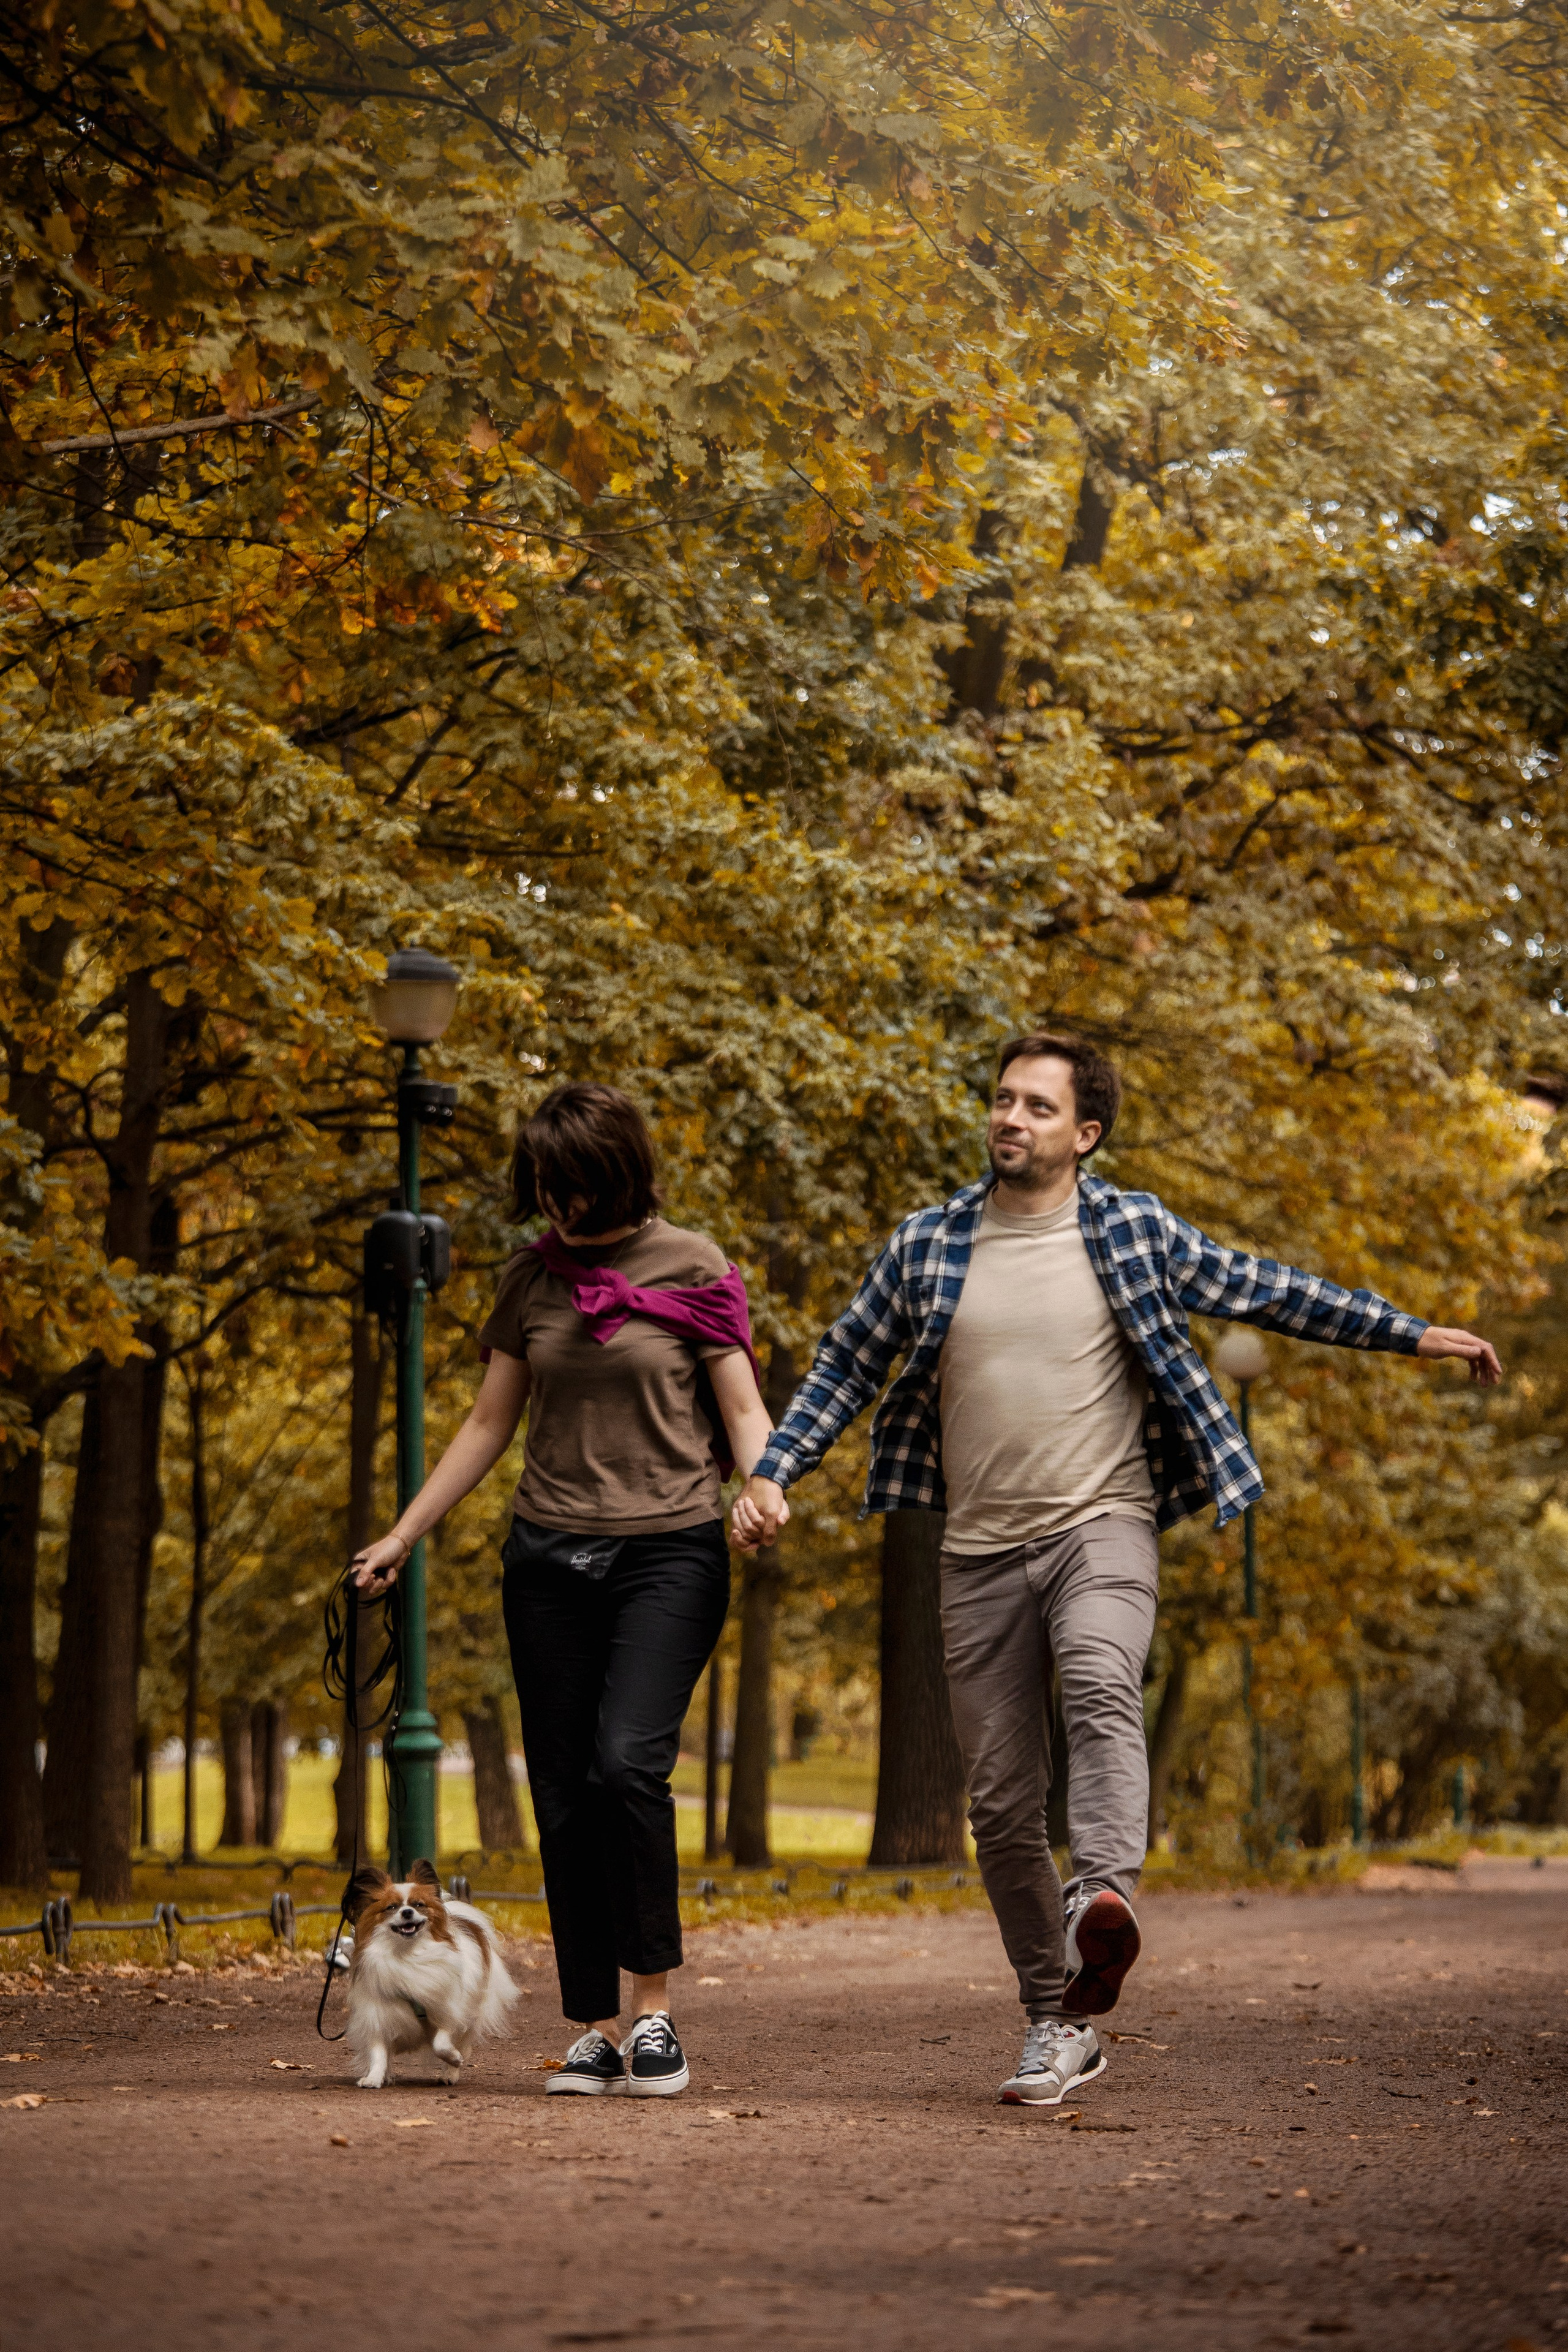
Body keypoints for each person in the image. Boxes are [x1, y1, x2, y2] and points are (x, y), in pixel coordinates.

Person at [733, 1031, 1500, 2108]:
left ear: (1085, 1134)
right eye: (1003, 1100)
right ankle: (1059, 2019)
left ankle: (1102, 1896)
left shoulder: (1131, 1229)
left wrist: (1410, 1332)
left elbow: (1265, 1289)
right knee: (999, 1807)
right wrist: (773, 1472)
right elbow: (844, 1365)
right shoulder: (927, 1243)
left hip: (1105, 1523)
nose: (1011, 1119)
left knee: (1098, 1678)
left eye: (1038, 1107)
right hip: (977, 1551)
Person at [353, 1082, 775, 2098]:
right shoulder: (529, 1277)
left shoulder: (694, 1264)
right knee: (563, 1793)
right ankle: (591, 2026)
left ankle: (655, 2013)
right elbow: (489, 1423)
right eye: (540, 1182)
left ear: (616, 1173)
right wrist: (405, 1534)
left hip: (668, 1549)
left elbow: (745, 1406)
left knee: (627, 1766)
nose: (554, 1202)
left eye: (570, 1183)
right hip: (547, 1559)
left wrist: (764, 1485)